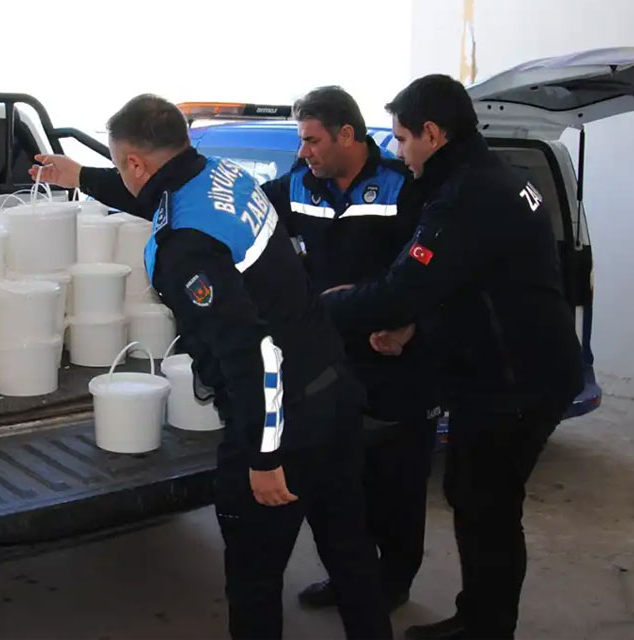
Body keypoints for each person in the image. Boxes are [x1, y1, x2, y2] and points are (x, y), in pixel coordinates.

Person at [33, 94, 391, 640]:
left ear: (136, 162)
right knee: (351, 555)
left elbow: (252, 354)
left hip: (284, 418)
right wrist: (80, 175)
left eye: (122, 163)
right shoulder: (218, 175)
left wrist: (264, 457)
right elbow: (156, 194)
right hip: (335, 392)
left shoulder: (184, 248)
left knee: (253, 580)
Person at [319, 75, 585, 640]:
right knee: (479, 500)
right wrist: (415, 324)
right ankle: (480, 618)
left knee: (485, 506)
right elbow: (469, 280)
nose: (396, 152)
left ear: (432, 134)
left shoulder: (465, 195)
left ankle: (485, 629)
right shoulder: (494, 178)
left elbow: (403, 287)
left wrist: (323, 310)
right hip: (525, 367)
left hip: (513, 381)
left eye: (401, 138)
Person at [260, 86, 440, 612]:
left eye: (311, 140)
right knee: (341, 484)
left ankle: (395, 581)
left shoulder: (403, 187)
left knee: (399, 485)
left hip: (395, 360)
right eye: (301, 141)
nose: (303, 152)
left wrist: (410, 326)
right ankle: (350, 577)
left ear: (346, 135)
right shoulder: (299, 187)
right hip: (331, 365)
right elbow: (241, 211)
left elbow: (443, 273)